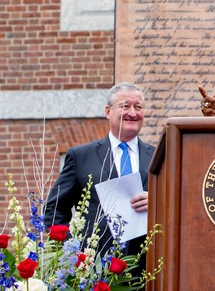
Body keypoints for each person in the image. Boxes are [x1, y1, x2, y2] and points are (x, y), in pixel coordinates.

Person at [44, 82, 155, 269]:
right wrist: (73, 253)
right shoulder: (80, 157)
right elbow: (55, 211)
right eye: (125, 106)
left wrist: (157, 201)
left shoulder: (159, 156)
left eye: (138, 107)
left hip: (148, 270)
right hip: (94, 271)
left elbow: (179, 208)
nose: (133, 113)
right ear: (107, 111)